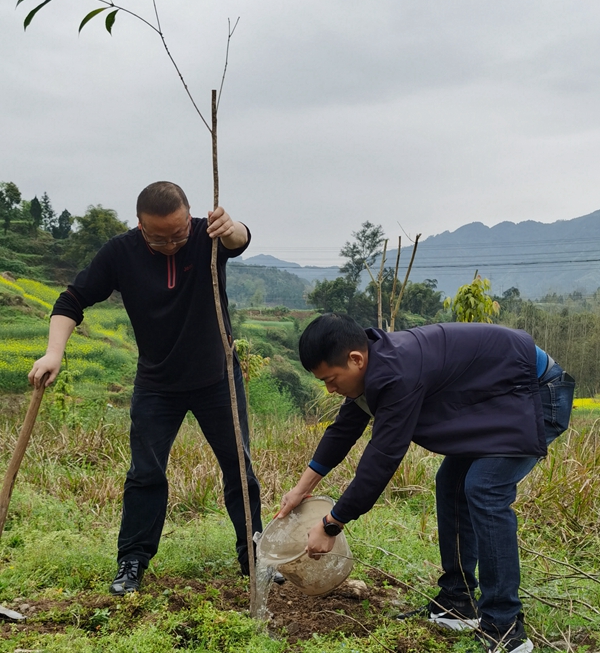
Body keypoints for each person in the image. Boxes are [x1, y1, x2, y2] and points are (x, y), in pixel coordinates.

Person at [29, 181, 278, 594]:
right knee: (145, 473)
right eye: (158, 237)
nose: (171, 244)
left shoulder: (207, 236)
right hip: (157, 384)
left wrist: (229, 226)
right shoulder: (120, 252)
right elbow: (71, 300)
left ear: (190, 218)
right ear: (140, 225)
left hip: (217, 378)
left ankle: (254, 557)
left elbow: (241, 238)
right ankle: (132, 561)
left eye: (178, 234)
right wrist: (54, 352)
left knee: (239, 468)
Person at [278, 313, 575, 653]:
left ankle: (505, 629)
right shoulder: (375, 366)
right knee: (451, 482)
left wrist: (332, 524)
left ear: (355, 359)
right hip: (499, 396)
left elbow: (382, 459)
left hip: (536, 392)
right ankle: (458, 603)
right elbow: (343, 430)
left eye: (331, 379)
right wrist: (301, 489)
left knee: (484, 489)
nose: (330, 389)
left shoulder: (397, 374)